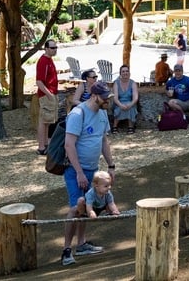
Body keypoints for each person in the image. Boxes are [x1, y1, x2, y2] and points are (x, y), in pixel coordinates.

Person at [61, 81, 115, 266]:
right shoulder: (78, 114)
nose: (108, 100)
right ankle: (66, 249)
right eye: (105, 97)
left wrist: (111, 165)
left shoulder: (102, 114)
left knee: (87, 204)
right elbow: (69, 145)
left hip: (92, 169)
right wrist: (79, 172)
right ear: (94, 96)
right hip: (76, 169)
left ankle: (81, 243)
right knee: (76, 207)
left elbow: (104, 141)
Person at [36, 40, 60, 155]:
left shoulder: (49, 60)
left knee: (48, 121)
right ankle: (41, 146)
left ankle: (46, 144)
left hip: (51, 93)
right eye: (52, 48)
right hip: (46, 95)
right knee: (43, 120)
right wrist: (49, 95)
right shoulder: (43, 61)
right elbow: (39, 82)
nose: (54, 50)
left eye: (56, 47)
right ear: (46, 48)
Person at [111, 64, 138, 134]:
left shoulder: (133, 83)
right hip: (119, 102)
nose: (125, 73)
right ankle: (114, 126)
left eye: (127, 71)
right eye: (123, 71)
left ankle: (130, 126)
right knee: (119, 108)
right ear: (120, 73)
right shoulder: (116, 83)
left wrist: (130, 104)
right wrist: (120, 105)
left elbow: (135, 97)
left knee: (131, 108)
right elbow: (115, 98)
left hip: (130, 102)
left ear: (129, 73)